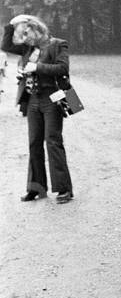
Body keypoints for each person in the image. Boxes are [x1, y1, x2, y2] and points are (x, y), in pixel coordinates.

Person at [1, 14, 74, 203]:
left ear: (38, 29)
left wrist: (37, 67)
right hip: (32, 100)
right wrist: (12, 24)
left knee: (53, 141)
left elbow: (62, 68)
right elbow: (6, 45)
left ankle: (64, 189)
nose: (25, 37)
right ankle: (36, 187)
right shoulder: (28, 48)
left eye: (27, 32)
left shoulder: (58, 44)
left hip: (52, 98)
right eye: (22, 33)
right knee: (34, 143)